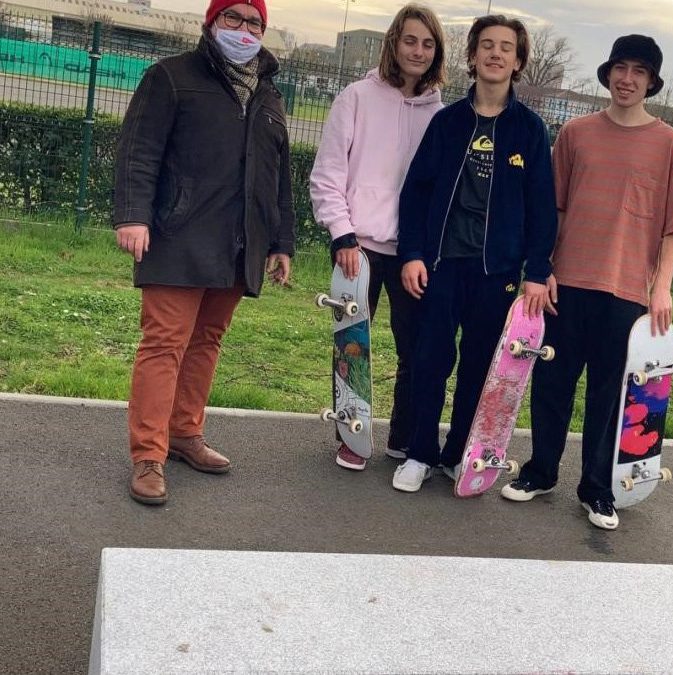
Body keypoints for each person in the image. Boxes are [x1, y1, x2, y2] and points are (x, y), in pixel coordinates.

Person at [500, 34, 673, 529]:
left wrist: (663, 287)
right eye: (620, 68)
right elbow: (554, 209)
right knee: (552, 383)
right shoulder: (576, 134)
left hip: (628, 291)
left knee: (610, 394)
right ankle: (541, 471)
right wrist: (543, 269)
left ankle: (597, 489)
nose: (627, 79)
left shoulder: (669, 144)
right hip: (568, 283)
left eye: (639, 72)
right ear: (608, 73)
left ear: (651, 82)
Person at [113, 0, 295, 505]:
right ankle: (148, 454)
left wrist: (281, 243)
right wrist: (133, 214)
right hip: (178, 234)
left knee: (207, 340)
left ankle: (184, 432)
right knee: (164, 342)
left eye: (254, 22)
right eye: (233, 18)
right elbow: (138, 148)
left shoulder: (269, 95)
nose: (243, 29)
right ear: (211, 23)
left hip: (239, 244)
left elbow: (278, 178)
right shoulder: (170, 77)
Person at [392, 14, 557, 493]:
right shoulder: (447, 123)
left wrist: (535, 271)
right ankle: (420, 453)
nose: (495, 54)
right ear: (472, 55)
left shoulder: (529, 130)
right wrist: (413, 254)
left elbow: (542, 209)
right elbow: (416, 193)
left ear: (518, 61)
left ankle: (458, 453)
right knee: (430, 361)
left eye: (506, 47)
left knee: (480, 368)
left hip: (498, 274)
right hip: (442, 267)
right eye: (487, 45)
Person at [310, 4, 445, 472]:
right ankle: (351, 435)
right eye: (411, 40)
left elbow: (435, 191)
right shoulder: (357, 97)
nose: (418, 51)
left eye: (428, 44)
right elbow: (327, 173)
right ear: (393, 42)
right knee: (353, 348)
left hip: (411, 255)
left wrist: (424, 249)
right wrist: (343, 237)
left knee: (415, 350)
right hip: (358, 249)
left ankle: (402, 439)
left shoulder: (439, 112)